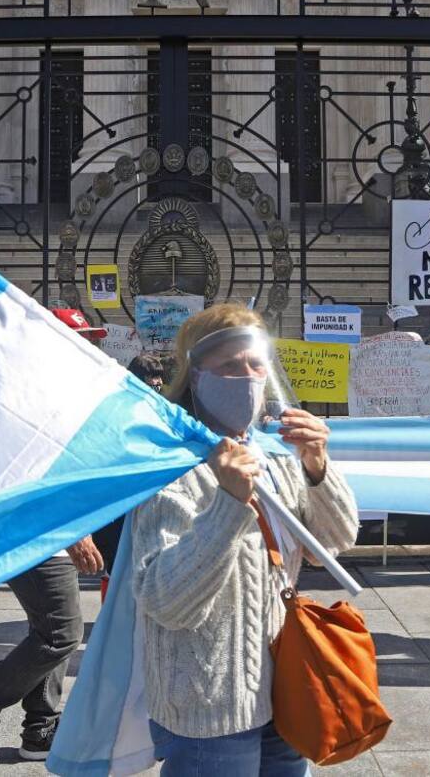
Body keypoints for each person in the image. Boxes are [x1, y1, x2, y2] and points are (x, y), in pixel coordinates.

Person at [132, 303, 360, 776]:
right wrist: (228, 504)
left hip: (287, 683)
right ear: (197, 377)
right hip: (208, 701)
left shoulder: (273, 454)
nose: (249, 376)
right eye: (230, 366)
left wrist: (317, 464)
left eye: (257, 363)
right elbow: (166, 601)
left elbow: (333, 545)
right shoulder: (172, 466)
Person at [0, 307, 107, 770]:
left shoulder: (69, 393)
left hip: (49, 531)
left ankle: (40, 729)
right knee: (61, 634)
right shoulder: (30, 396)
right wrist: (71, 530)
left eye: (91, 339)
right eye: (79, 340)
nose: (89, 348)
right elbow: (23, 475)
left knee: (51, 629)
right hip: (28, 531)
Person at [92, 353, 167, 589]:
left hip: (146, 501)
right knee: (117, 569)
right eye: (150, 380)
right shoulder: (115, 410)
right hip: (116, 503)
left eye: (159, 380)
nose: (156, 386)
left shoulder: (163, 410)